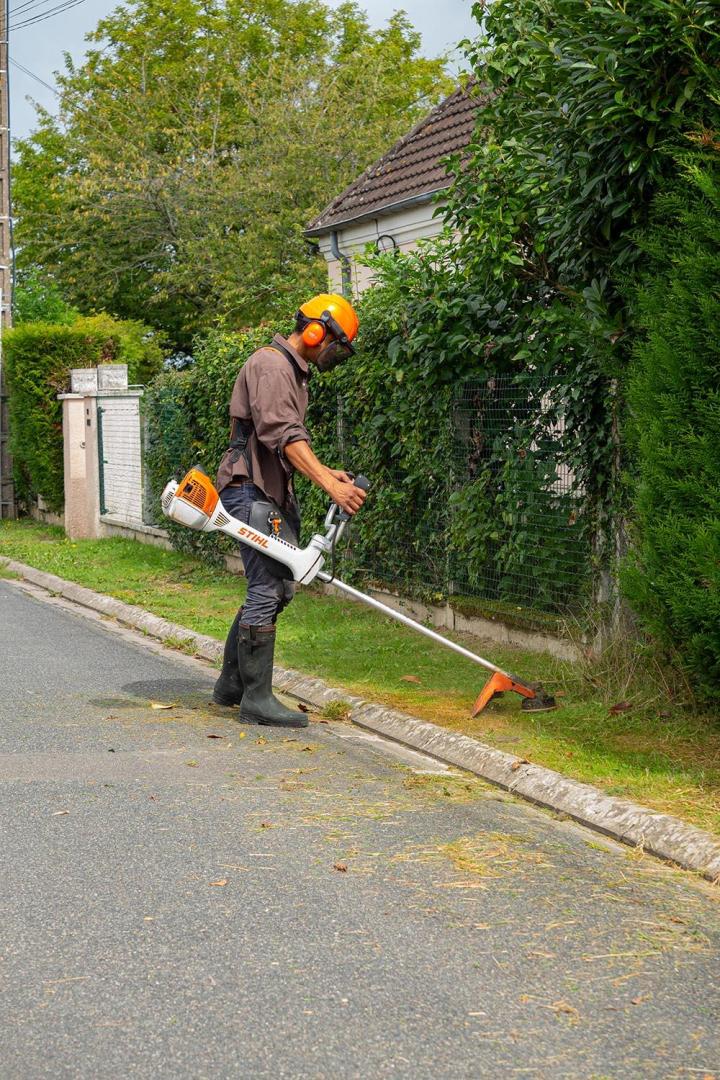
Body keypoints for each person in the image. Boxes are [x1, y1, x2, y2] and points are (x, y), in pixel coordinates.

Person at [211, 293, 366, 727]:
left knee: (275, 587)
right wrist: (331, 484)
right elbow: (283, 434)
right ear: (317, 331)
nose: (335, 357)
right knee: (266, 587)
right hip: (249, 490)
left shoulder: (292, 373)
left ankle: (231, 685)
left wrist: (327, 470)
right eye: (337, 346)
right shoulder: (272, 365)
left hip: (266, 490)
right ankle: (256, 699)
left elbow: (285, 440)